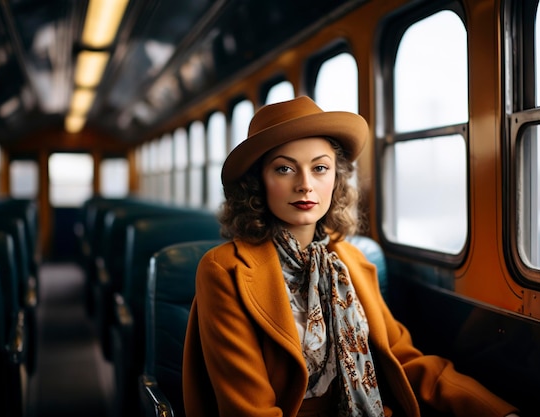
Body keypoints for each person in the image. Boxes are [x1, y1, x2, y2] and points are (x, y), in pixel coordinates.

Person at [182, 96, 520, 417]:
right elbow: (248, 410)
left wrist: (497, 411)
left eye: (320, 168)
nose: (305, 185)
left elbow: (404, 360)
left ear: (336, 178)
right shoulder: (224, 270)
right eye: (285, 170)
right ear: (258, 183)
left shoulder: (349, 260)